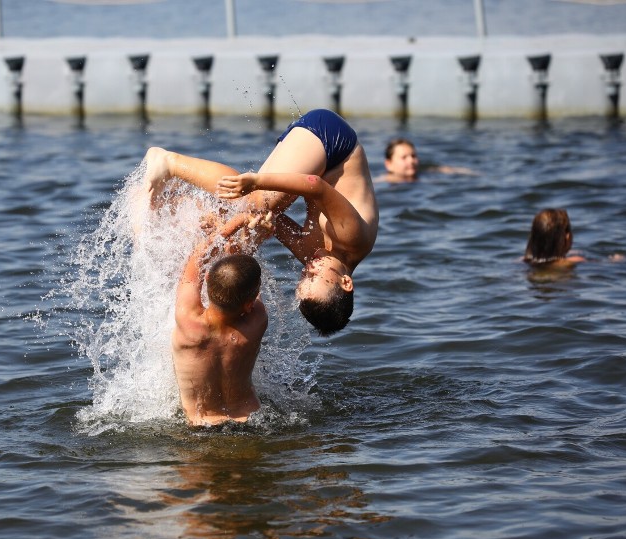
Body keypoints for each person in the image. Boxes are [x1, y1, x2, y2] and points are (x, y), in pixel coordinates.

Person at [144, 108, 378, 336]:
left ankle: (180, 199)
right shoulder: (354, 238)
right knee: (253, 202)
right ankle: (168, 162)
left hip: (314, 161)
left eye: (304, 277)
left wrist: (251, 226)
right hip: (332, 140)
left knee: (245, 237)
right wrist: (257, 182)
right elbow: (316, 186)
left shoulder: (313, 255)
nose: (309, 268)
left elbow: (271, 221)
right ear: (346, 282)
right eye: (314, 276)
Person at [172, 230, 268, 426]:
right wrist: (242, 246)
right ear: (249, 304)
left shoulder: (188, 321)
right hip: (250, 422)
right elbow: (247, 290)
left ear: (206, 279)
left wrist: (234, 224)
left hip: (201, 425)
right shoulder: (257, 321)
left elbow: (194, 264)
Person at [379, 137, 474, 183]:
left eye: (413, 156)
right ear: (389, 164)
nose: (411, 161)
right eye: (404, 157)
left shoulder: (424, 172)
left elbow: (448, 170)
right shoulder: (382, 181)